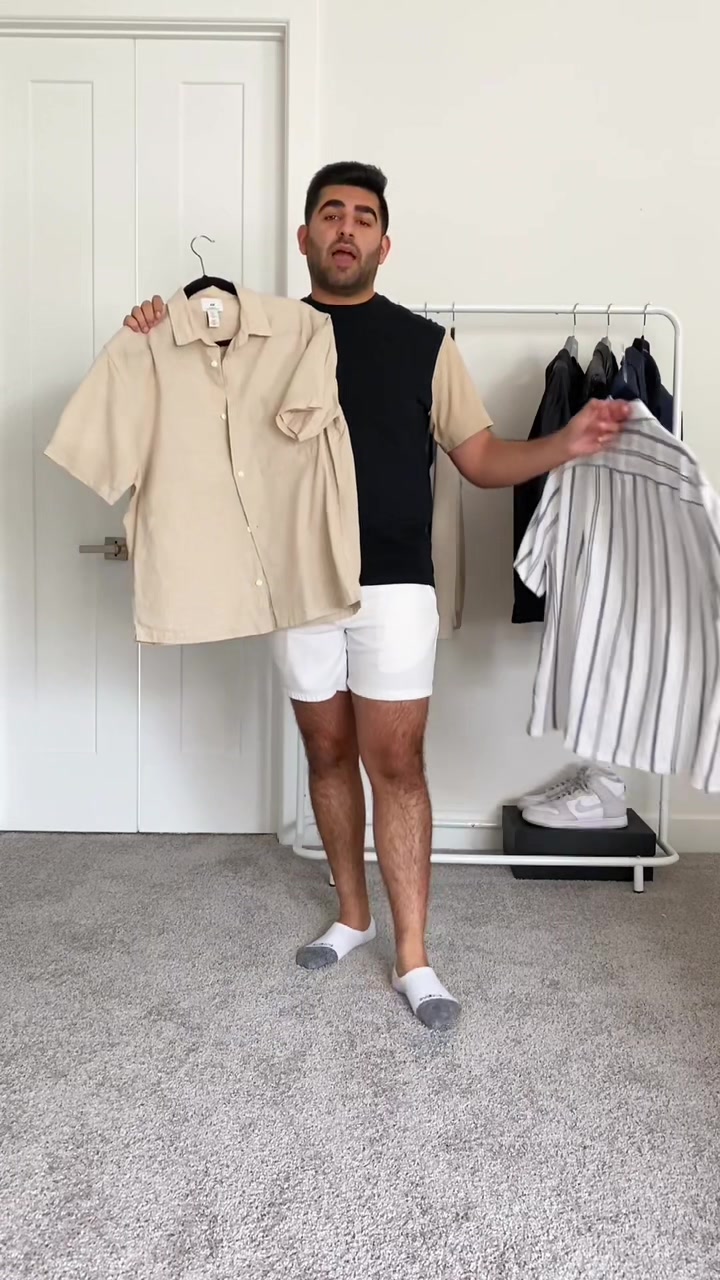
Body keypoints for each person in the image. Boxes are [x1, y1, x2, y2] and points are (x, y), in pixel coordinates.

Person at [123, 161, 628, 1031]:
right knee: (325, 752)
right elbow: (183, 404)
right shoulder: (258, 340)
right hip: (295, 581)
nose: (346, 229)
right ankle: (353, 916)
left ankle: (414, 956)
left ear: (384, 245)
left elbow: (480, 459)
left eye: (363, 218)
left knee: (396, 763)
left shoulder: (426, 345)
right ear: (305, 237)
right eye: (331, 214)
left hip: (394, 582)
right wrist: (150, 330)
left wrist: (567, 443)